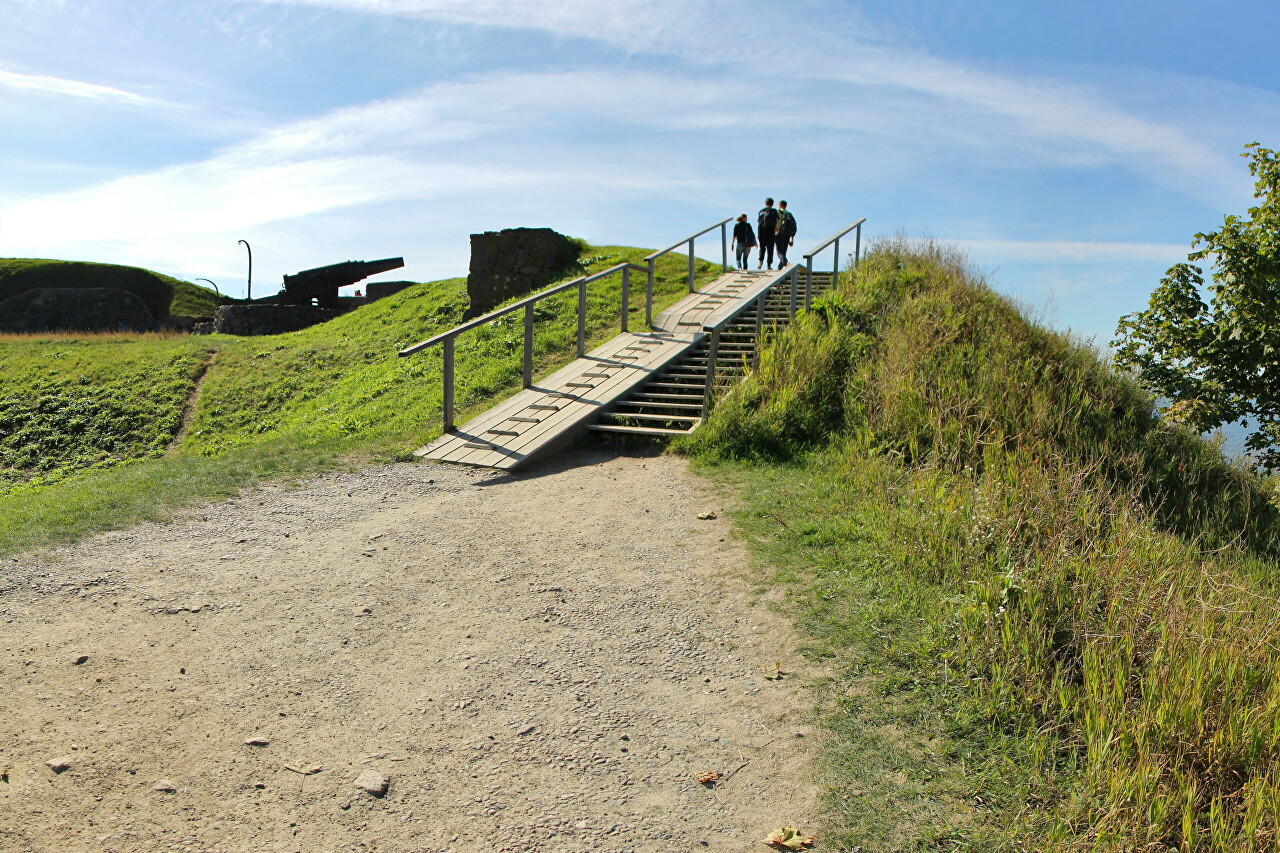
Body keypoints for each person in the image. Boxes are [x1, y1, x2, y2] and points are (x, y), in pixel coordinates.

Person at [757, 198, 778, 269]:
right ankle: (769, 265)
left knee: (762, 247)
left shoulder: (761, 211)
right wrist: (777, 229)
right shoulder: (774, 211)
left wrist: (758, 234)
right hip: (770, 231)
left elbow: (759, 223)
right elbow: (776, 221)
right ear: (772, 204)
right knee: (770, 248)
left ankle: (760, 261)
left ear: (765, 203)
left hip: (761, 231)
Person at [774, 200, 797, 267]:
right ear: (786, 206)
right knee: (783, 252)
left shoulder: (777, 212)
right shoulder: (789, 214)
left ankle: (786, 262)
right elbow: (793, 227)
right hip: (787, 235)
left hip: (779, 233)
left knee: (779, 252)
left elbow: (775, 223)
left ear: (779, 205)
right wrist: (792, 239)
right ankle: (780, 268)